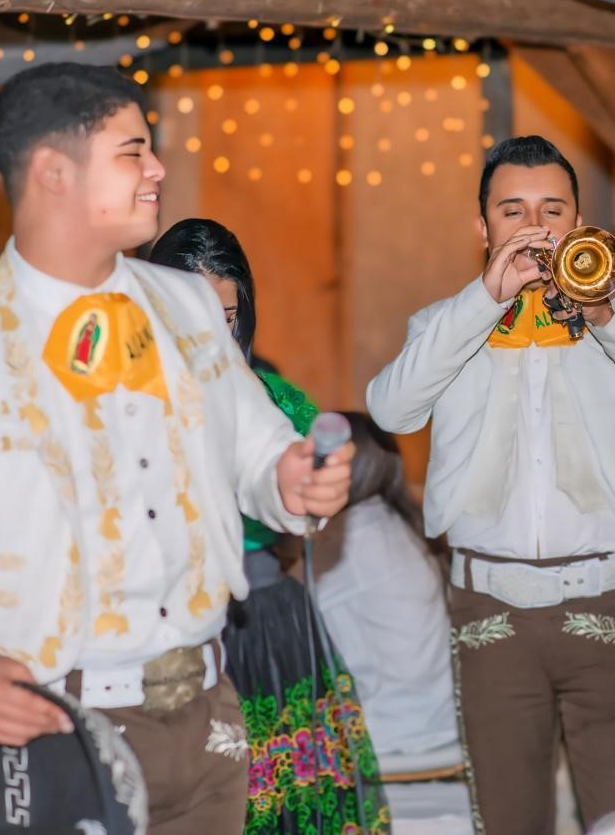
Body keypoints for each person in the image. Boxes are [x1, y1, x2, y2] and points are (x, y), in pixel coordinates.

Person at [0, 62, 354, 835]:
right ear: (54, 172)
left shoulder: (186, 305)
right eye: (132, 151)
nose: (157, 169)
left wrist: (289, 478)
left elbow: (256, 448)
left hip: (208, 718)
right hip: (57, 727)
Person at [367, 135, 615, 832]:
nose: (533, 228)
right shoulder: (442, 323)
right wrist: (482, 301)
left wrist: (605, 315)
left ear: (578, 225)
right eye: (512, 211)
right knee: (507, 819)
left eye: (551, 210)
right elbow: (389, 408)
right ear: (483, 227)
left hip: (604, 601)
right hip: (487, 608)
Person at [149, 218, 391, 833]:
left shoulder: (266, 396)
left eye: (227, 317)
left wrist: (314, 482)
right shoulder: (131, 400)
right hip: (162, 624)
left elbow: (290, 480)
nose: (214, 334)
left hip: (263, 620)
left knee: (283, 804)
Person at [307, 411, 459, 760]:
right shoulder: (396, 522)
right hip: (434, 718)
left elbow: (290, 615)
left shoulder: (355, 537)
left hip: (393, 729)